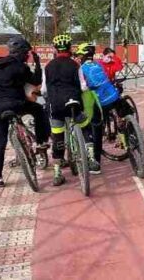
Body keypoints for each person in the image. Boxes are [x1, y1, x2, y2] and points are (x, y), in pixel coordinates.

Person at [0, 36, 49, 188]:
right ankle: (42, 141)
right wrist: (37, 63)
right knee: (38, 109)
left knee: (0, 140)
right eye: (27, 53)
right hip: (16, 104)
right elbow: (35, 81)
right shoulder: (21, 67)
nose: (27, 56)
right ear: (21, 52)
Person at [45, 34, 98, 186]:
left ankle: (57, 173)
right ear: (69, 48)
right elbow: (83, 86)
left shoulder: (48, 66)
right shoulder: (76, 65)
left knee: (57, 137)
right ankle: (91, 158)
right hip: (73, 102)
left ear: (55, 49)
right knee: (84, 125)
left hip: (56, 106)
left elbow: (43, 89)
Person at [78, 43, 135, 174]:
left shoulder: (81, 69)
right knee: (127, 112)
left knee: (96, 129)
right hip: (113, 96)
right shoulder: (99, 64)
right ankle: (130, 136)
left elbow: (83, 87)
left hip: (99, 102)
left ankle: (96, 162)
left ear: (82, 56)